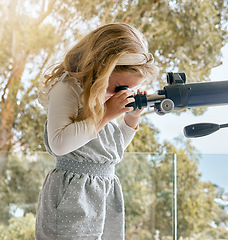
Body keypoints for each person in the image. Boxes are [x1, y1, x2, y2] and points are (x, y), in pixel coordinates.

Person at [35, 23, 158, 239]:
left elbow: (108, 151)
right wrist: (107, 114)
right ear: (102, 68)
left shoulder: (103, 95)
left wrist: (131, 119)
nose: (120, 94)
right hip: (72, 194)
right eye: (120, 88)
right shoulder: (69, 88)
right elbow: (59, 144)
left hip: (104, 194)